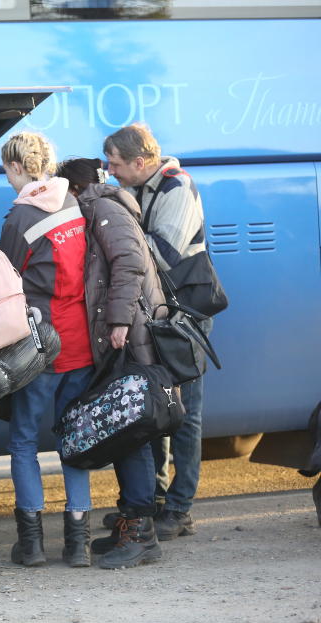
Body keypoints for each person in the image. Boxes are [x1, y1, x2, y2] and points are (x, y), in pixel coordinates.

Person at [56, 157, 167, 569]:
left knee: (132, 432)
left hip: (130, 337)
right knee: (126, 429)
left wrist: (118, 320)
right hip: (123, 335)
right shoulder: (102, 206)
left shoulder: (103, 208)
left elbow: (130, 262)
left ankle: (140, 532)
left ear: (73, 188)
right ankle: (132, 522)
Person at [103, 123, 212, 541]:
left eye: (116, 165)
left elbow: (163, 254)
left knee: (187, 414)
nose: (112, 173)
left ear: (139, 161)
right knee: (157, 409)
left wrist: (119, 237)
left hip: (187, 314)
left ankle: (180, 508)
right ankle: (154, 499)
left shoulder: (176, 188)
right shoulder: (143, 188)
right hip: (162, 313)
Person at [0, 132, 94, 568]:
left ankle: (32, 544)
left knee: (23, 441)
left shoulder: (20, 219)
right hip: (81, 344)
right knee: (74, 440)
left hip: (39, 347)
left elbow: (3, 280)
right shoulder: (75, 203)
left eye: (5, 169)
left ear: (18, 168)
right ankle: (78, 543)